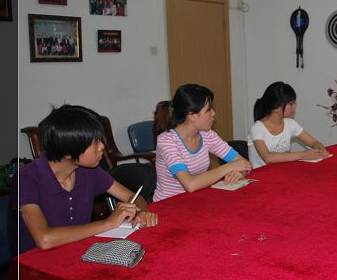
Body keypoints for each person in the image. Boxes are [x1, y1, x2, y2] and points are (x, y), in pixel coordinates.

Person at [18, 105, 159, 253]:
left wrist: (142, 212)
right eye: (95, 142)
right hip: (36, 260)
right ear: (68, 151)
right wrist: (108, 223)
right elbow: (44, 239)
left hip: (79, 251)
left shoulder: (89, 170)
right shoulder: (26, 178)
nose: (102, 146)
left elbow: (132, 196)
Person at [153, 83, 251, 201]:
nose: (213, 114)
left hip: (197, 200)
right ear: (192, 116)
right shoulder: (167, 140)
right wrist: (229, 167)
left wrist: (239, 173)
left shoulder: (207, 135)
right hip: (168, 204)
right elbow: (190, 184)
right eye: (209, 110)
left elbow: (244, 163)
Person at [248, 81, 329, 169]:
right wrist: (303, 155)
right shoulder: (257, 129)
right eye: (291, 104)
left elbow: (314, 142)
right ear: (276, 107)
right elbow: (268, 157)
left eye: (294, 103)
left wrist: (320, 149)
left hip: (283, 172)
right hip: (262, 175)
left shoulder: (290, 124)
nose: (294, 106)